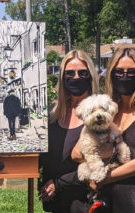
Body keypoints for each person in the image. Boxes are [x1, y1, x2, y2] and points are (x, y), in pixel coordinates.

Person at [70, 46, 135, 213]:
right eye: (119, 72)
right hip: (104, 200)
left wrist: (105, 178)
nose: (125, 77)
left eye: (131, 72)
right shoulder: (108, 107)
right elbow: (76, 153)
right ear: (112, 75)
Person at [39, 50, 99, 212]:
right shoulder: (51, 116)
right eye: (70, 73)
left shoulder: (99, 115)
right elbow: (43, 158)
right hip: (57, 203)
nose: (76, 78)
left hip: (86, 202)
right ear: (62, 77)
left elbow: (102, 162)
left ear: (91, 76)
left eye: (82, 73)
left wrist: (60, 183)